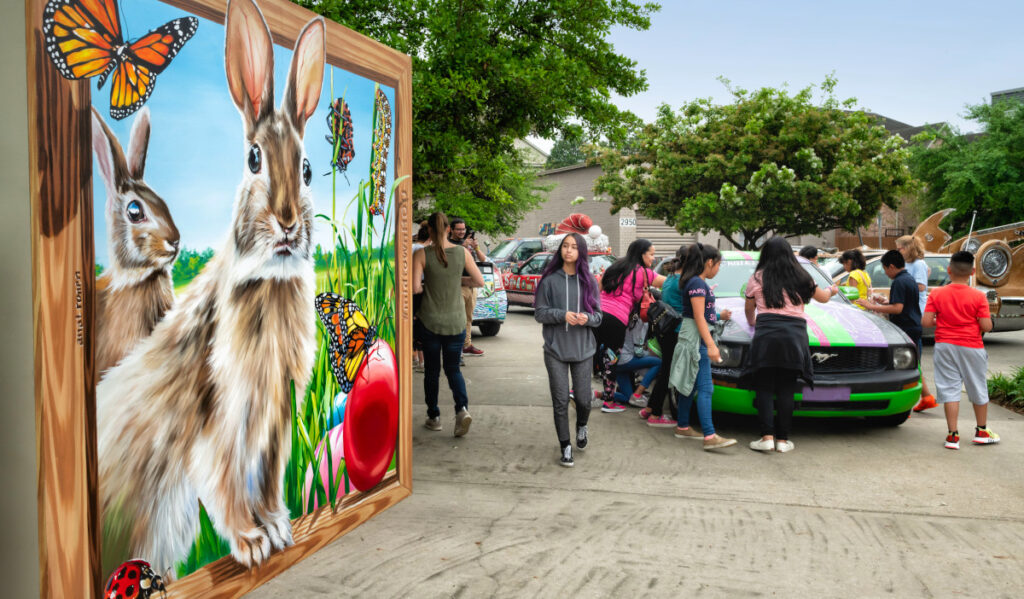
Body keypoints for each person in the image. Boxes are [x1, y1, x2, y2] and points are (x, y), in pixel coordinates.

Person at [745, 237, 837, 453]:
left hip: (766, 334)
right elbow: (823, 298)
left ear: (766, 254)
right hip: (794, 335)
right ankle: (783, 441)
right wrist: (832, 290)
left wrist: (753, 323)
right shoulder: (802, 276)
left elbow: (749, 308)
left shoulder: (758, 277)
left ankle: (767, 437)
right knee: (787, 387)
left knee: (765, 387)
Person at [534, 233, 603, 467]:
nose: (569, 250)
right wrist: (561, 315)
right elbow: (540, 313)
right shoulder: (549, 280)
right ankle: (565, 445)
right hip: (555, 350)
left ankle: (582, 425)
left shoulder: (589, 282)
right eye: (565, 246)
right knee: (560, 400)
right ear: (560, 250)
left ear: (580, 252)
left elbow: (599, 317)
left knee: (584, 400)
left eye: (574, 247)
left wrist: (587, 318)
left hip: (583, 350)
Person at [413, 212, 484, 436]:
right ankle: (462, 409)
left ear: (430, 231)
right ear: (448, 230)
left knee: (432, 371)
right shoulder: (463, 252)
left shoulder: (422, 254)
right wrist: (457, 280)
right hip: (456, 322)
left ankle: (434, 416)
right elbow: (479, 281)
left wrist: (430, 284)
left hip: (430, 321)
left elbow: (415, 288)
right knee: (453, 369)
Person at [921, 251, 999, 449]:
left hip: (945, 346)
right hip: (972, 345)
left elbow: (926, 322)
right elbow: (987, 326)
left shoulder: (937, 294)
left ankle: (952, 435)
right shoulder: (979, 297)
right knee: (977, 386)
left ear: (949, 270)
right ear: (972, 271)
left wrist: (944, 320)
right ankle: (981, 431)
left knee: (949, 388)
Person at [669, 243, 736, 450]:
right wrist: (710, 346)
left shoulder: (695, 282)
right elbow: (699, 317)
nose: (718, 269)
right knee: (706, 388)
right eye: (718, 265)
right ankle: (710, 436)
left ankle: (682, 427)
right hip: (696, 339)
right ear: (709, 262)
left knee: (690, 386)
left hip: (694, 337)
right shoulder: (697, 283)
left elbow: (702, 314)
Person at [595, 239, 666, 413]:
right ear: (642, 254)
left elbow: (599, 286)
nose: (653, 258)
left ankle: (577, 391)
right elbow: (668, 283)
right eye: (651, 254)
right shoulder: (644, 273)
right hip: (617, 320)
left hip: (598, 315)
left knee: (589, 355)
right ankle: (608, 403)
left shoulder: (616, 266)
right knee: (611, 361)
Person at [641, 245, 687, 427]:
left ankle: (650, 408)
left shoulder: (671, 278)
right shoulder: (683, 281)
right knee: (667, 373)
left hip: (665, 330)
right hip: (674, 332)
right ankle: (656, 413)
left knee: (665, 371)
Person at [857, 250, 922, 372]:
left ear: (891, 266)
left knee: (905, 367)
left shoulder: (899, 281)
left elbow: (897, 309)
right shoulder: (908, 278)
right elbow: (905, 303)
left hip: (905, 326)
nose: (885, 273)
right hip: (914, 324)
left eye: (885, 269)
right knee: (914, 364)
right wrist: (885, 302)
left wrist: (871, 306)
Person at [896, 235, 937, 411]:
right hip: (908, 313)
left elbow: (921, 285)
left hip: (914, 314)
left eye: (899, 248)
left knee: (911, 359)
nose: (897, 251)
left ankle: (912, 401)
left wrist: (901, 281)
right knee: (912, 359)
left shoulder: (918, 264)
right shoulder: (911, 265)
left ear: (907, 248)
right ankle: (926, 396)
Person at [449, 217, 487, 357]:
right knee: (458, 318)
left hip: (472, 286)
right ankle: (456, 349)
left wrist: (476, 247)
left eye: (463, 229)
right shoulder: (449, 244)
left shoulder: (467, 244)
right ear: (451, 230)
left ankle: (467, 345)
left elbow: (483, 259)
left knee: (469, 318)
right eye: (458, 229)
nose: (461, 232)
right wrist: (463, 246)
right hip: (458, 286)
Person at [612, 319, 661, 406]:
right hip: (626, 360)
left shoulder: (628, 317)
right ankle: (637, 394)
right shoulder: (641, 322)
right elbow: (638, 351)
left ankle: (597, 394)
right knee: (659, 362)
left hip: (616, 361)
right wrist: (649, 354)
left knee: (627, 398)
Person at [411, 223, 431, 371]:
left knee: (413, 323)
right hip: (421, 287)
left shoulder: (411, 247)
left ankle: (415, 358)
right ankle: (422, 361)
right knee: (421, 324)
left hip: (409, 289)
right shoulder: (422, 250)